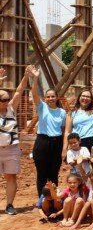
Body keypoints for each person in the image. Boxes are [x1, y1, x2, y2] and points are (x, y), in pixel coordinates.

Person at [29, 65, 67, 195]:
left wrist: (63, 148)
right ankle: (42, 199)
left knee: (53, 173)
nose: (50, 98)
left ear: (57, 97)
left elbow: (63, 130)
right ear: (45, 98)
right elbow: (34, 93)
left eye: (52, 96)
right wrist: (35, 78)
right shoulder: (42, 107)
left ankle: (53, 198)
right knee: (42, 173)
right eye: (48, 96)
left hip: (56, 142)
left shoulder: (62, 112)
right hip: (42, 142)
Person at [0, 68, 27, 215]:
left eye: (6, 99)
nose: (6, 101)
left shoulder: (11, 108)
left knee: (11, 176)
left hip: (11, 149)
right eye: (3, 99)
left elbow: (19, 90)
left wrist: (26, 75)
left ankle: (9, 204)